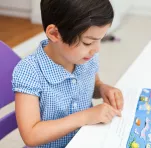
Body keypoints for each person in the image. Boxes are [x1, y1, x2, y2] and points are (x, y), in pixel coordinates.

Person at [12, 0, 124, 147]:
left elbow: (93, 83)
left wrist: (102, 88)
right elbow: (31, 135)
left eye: (100, 40)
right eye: (88, 42)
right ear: (54, 34)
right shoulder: (29, 71)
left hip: (84, 140)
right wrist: (85, 117)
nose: (97, 49)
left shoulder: (87, 57)